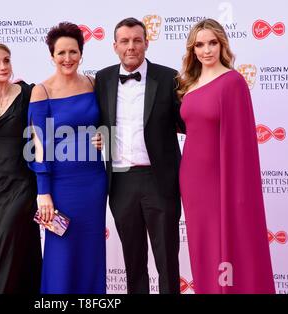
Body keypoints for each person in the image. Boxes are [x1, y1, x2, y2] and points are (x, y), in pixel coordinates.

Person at [177, 18, 275, 294]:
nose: (206, 50)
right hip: (192, 182)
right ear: (192, 49)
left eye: (212, 43)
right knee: (203, 246)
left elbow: (242, 143)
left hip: (220, 180)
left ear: (222, 45)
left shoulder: (232, 82)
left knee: (227, 246)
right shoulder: (190, 84)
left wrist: (238, 191)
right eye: (200, 44)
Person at [94, 17, 185, 294]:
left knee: (167, 260)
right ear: (114, 46)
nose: (131, 47)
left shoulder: (169, 77)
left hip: (160, 180)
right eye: (125, 41)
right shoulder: (103, 78)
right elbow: (90, 116)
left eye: (136, 40)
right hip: (120, 182)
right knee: (133, 261)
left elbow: (188, 121)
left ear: (146, 43)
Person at [28, 22, 107, 294]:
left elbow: (107, 124)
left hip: (94, 183)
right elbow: (38, 145)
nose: (67, 58)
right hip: (61, 186)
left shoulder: (93, 84)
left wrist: (104, 136)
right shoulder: (42, 91)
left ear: (81, 53)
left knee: (91, 252)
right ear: (51, 56)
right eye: (61, 53)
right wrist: (43, 192)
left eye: (73, 52)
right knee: (61, 254)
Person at [0, 43, 42, 293]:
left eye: (6, 60)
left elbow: (48, 132)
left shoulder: (29, 93)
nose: (3, 66)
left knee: (7, 244)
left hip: (23, 184)